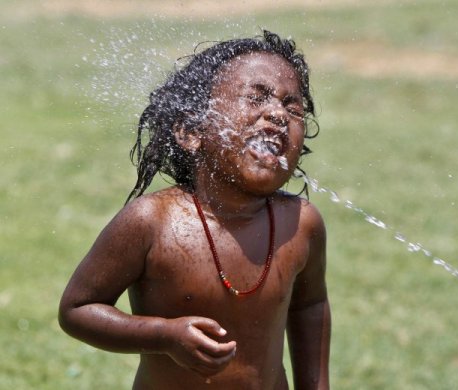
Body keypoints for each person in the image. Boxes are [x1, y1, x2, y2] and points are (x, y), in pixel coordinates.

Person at [59, 30, 330, 390]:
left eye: (293, 108)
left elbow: (310, 307)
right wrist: (164, 335)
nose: (278, 114)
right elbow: (77, 310)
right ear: (191, 132)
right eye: (256, 97)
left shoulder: (300, 224)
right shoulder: (153, 222)